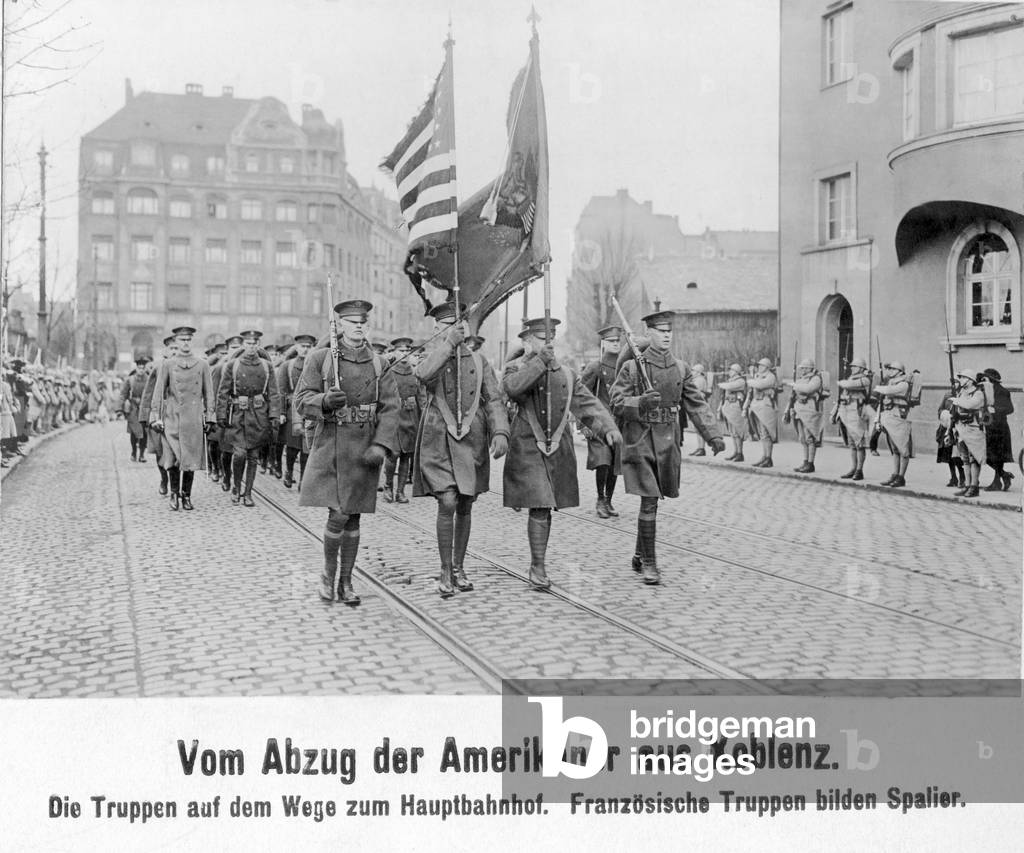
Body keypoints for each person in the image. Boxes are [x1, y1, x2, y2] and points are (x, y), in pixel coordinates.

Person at [293, 299, 400, 605]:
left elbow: (391, 408)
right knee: (339, 513)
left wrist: (381, 444)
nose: (358, 327)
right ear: (339, 325)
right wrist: (325, 401)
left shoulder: (379, 364)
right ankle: (328, 575)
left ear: (369, 326)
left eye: (363, 323)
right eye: (352, 322)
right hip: (332, 444)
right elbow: (302, 400)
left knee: (354, 518)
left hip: (365, 449)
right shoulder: (321, 359)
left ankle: (346, 581)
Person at [503, 317, 621, 590]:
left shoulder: (566, 373)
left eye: (550, 338)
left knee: (546, 506)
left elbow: (586, 403)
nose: (546, 343)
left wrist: (608, 428)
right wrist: (539, 362)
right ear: (527, 341)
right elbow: (513, 388)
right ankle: (538, 566)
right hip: (527, 444)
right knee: (540, 503)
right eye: (540, 338)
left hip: (558, 447)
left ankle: (538, 563)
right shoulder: (516, 367)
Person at [610, 309, 724, 585]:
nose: (666, 335)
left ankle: (639, 553)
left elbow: (696, 403)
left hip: (668, 441)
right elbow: (615, 401)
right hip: (640, 439)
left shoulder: (680, 368)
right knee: (649, 500)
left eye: (669, 331)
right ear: (648, 333)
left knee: (653, 502)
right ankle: (650, 564)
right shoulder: (632, 367)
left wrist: (713, 435)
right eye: (660, 331)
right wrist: (640, 403)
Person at [414, 304, 509, 596]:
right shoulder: (431, 356)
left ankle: (458, 566)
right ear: (436, 330)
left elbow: (493, 399)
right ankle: (444, 569)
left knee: (466, 502)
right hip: (438, 439)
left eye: (456, 325)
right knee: (447, 501)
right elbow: (424, 374)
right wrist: (447, 345)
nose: (453, 330)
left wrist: (501, 431)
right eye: (445, 326)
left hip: (471, 440)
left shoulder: (480, 362)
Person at [149, 326, 216, 510]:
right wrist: (155, 417)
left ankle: (186, 496)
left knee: (190, 459)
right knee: (172, 458)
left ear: (191, 341)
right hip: (172, 418)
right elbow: (158, 392)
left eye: (188, 340)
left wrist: (210, 417)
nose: (185, 343)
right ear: (176, 342)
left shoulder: (202, 365)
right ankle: (174, 494)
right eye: (181, 340)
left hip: (193, 419)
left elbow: (209, 393)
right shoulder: (167, 365)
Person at [216, 330, 282, 508]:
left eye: (254, 343)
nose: (251, 347)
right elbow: (223, 392)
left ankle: (248, 493)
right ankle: (237, 486)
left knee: (253, 456)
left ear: (258, 344)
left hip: (259, 415)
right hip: (238, 415)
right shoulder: (233, 365)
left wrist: (274, 414)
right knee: (239, 454)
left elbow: (274, 393)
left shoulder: (267, 366)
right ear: (243, 345)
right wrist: (221, 414)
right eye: (248, 343)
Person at [580, 324, 623, 517]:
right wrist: (584, 424)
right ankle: (600, 499)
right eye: (611, 341)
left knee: (615, 464)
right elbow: (581, 395)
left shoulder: (625, 366)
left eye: (617, 341)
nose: (615, 344)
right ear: (603, 343)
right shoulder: (595, 366)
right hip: (598, 423)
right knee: (603, 461)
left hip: (619, 422)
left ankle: (609, 500)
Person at [382, 336, 422, 505]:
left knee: (407, 455)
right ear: (394, 352)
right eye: (401, 351)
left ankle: (400, 491)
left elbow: (421, 397)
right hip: (394, 418)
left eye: (407, 351)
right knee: (393, 454)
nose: (405, 354)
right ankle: (388, 486)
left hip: (411, 418)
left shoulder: (416, 372)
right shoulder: (388, 371)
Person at [276, 334, 317, 490]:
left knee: (307, 446)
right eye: (302, 346)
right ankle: (289, 471)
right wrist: (281, 412)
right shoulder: (288, 365)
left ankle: (303, 480)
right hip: (292, 410)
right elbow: (281, 391)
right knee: (293, 446)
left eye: (308, 347)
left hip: (311, 409)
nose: (305, 350)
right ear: (296, 347)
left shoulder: (316, 365)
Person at [874, 360, 913, 487]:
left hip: (900, 419)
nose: (890, 371)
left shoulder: (903, 384)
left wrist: (880, 387)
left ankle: (901, 477)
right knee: (895, 449)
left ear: (899, 371)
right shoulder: (890, 382)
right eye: (889, 369)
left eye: (892, 369)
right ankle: (895, 474)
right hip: (890, 419)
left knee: (903, 450)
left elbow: (890, 391)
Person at [950, 368, 987, 498]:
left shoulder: (978, 393)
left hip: (974, 429)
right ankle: (967, 485)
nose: (961, 380)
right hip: (962, 429)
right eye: (961, 378)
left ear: (971, 380)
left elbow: (971, 405)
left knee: (974, 459)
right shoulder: (961, 392)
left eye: (964, 378)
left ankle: (974, 486)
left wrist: (956, 400)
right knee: (965, 459)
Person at [835, 356, 873, 481]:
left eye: (855, 366)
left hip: (857, 413)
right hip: (847, 411)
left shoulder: (864, 380)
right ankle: (853, 468)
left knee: (859, 443)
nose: (852, 368)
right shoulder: (851, 378)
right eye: (852, 366)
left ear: (861, 368)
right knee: (852, 443)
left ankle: (859, 470)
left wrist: (841, 382)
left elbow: (849, 385)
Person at [788, 358, 825, 473]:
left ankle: (810, 463)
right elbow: (793, 396)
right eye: (801, 368)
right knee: (802, 438)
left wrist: (794, 385)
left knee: (810, 438)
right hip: (799, 409)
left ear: (810, 368)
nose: (802, 370)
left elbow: (808, 389)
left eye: (804, 368)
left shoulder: (816, 378)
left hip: (810, 410)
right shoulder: (801, 379)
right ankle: (805, 461)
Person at [981, 368, 1014, 491]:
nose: (983, 380)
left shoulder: (1002, 391)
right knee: (988, 456)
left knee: (997, 457)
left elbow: (1010, 409)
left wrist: (995, 409)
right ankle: (1004, 475)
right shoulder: (985, 391)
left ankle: (997, 482)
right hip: (988, 427)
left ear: (991, 380)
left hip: (1000, 428)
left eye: (985, 378)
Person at [745, 357, 781, 468]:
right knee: (762, 434)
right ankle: (764, 456)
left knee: (767, 432)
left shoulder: (770, 376)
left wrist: (750, 381)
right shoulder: (757, 376)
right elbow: (751, 392)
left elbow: (760, 385)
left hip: (766, 405)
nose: (759, 367)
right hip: (756, 405)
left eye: (761, 365)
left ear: (766, 367)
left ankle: (768, 458)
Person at [119, 355, 151, 462]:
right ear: (136, 368)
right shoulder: (130, 380)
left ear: (145, 368)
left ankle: (142, 454)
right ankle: (133, 452)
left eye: (143, 368)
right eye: (139, 368)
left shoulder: (149, 379)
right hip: (133, 408)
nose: (141, 370)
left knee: (144, 433)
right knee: (134, 432)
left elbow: (153, 394)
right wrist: (120, 408)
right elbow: (123, 394)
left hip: (145, 408)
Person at [203, 342, 227, 482]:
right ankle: (214, 468)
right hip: (214, 409)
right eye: (222, 354)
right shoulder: (213, 368)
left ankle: (223, 468)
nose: (225, 356)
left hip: (227, 409)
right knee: (213, 442)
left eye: (226, 353)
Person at [717, 364, 748, 461]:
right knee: (732, 432)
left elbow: (729, 387)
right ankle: (735, 452)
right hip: (728, 407)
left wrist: (721, 385)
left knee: (737, 431)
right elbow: (724, 395)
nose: (730, 371)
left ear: (736, 371)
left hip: (736, 407)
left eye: (731, 370)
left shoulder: (740, 381)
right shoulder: (730, 380)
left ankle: (740, 453)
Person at [936, 390, 965, 488]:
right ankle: (953, 477)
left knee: (957, 456)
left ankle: (962, 477)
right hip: (946, 428)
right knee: (948, 455)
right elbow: (940, 409)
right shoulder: (948, 395)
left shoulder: (963, 395)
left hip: (957, 429)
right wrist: (944, 415)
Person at [688, 364, 711, 456]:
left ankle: (702, 448)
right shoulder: (695, 380)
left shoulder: (700, 380)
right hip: (696, 405)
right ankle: (699, 447)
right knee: (697, 428)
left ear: (698, 372)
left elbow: (693, 391)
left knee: (700, 427)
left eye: (693, 370)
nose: (692, 372)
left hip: (699, 406)